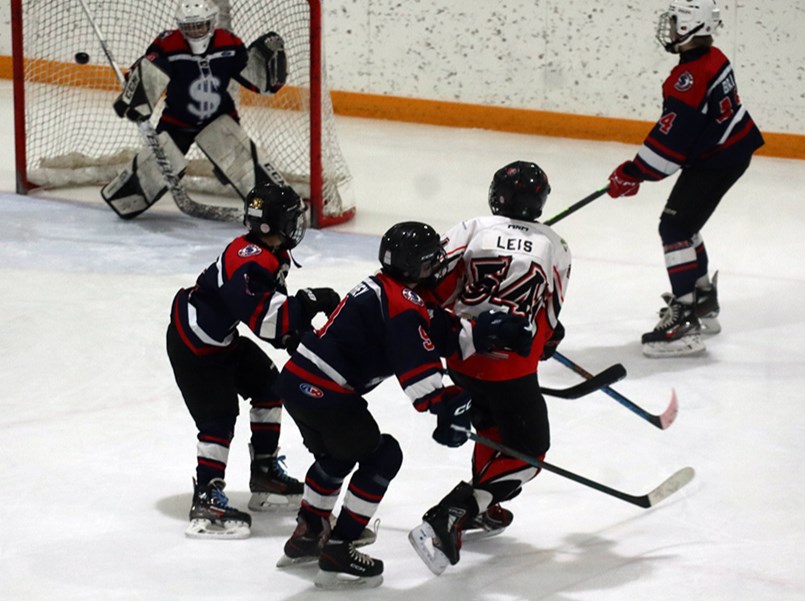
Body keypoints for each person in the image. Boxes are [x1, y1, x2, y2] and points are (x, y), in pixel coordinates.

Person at [273, 221, 532, 589]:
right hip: (325, 393)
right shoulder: (402, 304)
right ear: (418, 266)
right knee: (383, 456)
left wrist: (492, 332)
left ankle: (308, 534)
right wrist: (446, 404)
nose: (437, 267)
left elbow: (436, 329)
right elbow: (418, 368)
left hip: (298, 384)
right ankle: (340, 547)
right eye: (432, 262)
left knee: (337, 457)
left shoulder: (387, 288)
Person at [407, 161, 571, 576]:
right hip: (511, 373)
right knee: (529, 454)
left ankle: (482, 505)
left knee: (494, 431)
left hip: (461, 359)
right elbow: (548, 320)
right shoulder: (558, 245)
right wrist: (545, 341)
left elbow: (431, 286)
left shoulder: (471, 227)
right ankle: (457, 510)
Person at [166, 182, 341, 539]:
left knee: (267, 386)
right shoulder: (249, 260)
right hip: (195, 345)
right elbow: (265, 320)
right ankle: (207, 496)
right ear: (273, 224)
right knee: (218, 417)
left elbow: (274, 320)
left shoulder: (271, 253)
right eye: (291, 219)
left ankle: (264, 473)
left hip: (220, 339)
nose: (297, 226)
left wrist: (300, 339)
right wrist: (308, 302)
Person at [606, 0, 764, 357]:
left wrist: (634, 172)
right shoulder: (714, 57)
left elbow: (672, 140)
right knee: (684, 224)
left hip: (718, 159)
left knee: (674, 229)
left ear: (692, 25)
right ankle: (703, 299)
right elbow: (684, 135)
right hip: (727, 151)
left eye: (676, 21)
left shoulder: (688, 78)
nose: (671, 27)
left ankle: (685, 318)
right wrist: (640, 170)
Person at [103, 0, 290, 218]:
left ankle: (278, 208)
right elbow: (148, 67)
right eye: (189, 27)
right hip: (177, 121)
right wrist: (132, 90)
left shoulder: (229, 43)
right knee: (130, 194)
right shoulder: (168, 44)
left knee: (246, 169)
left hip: (218, 118)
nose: (195, 32)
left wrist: (268, 71)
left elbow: (250, 75)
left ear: (211, 23)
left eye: (200, 25)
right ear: (180, 27)